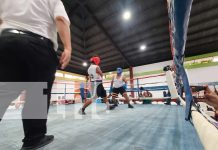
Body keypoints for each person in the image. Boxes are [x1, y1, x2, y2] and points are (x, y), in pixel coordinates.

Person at [0, 0, 71, 149]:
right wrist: (68, 48)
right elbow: (60, 19)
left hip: (6, 42)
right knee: (37, 94)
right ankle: (34, 138)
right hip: (39, 46)